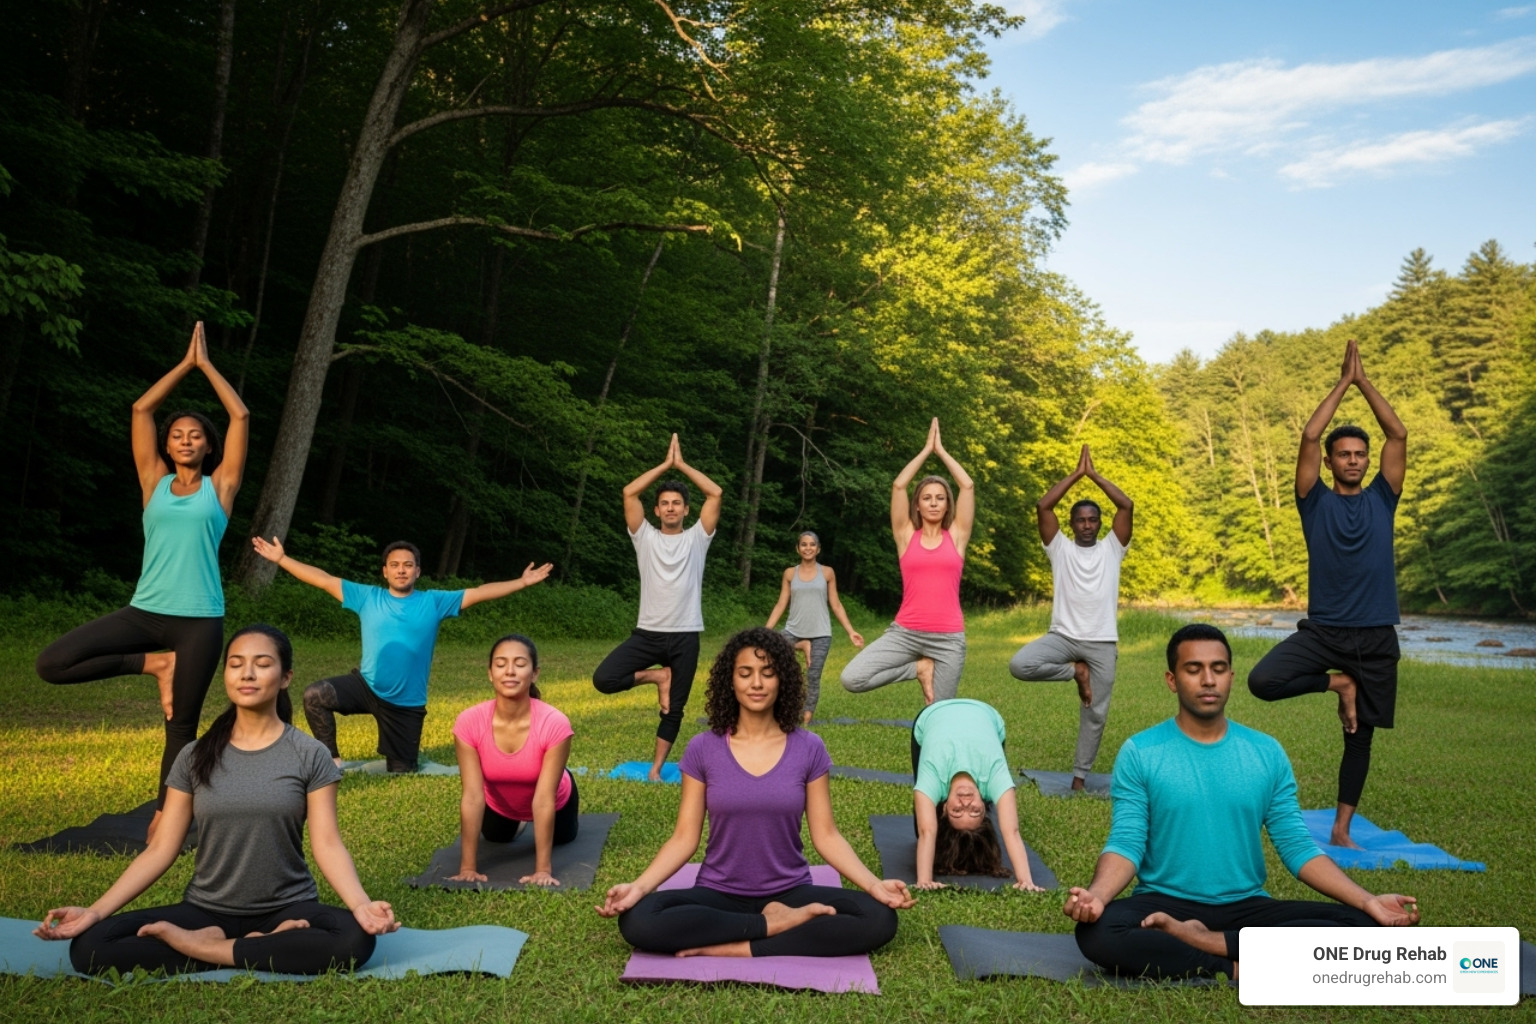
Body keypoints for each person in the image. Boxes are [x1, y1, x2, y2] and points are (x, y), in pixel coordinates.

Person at [1063, 623, 1419, 981]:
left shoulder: (1266, 752)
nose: (1208, 680)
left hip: (1247, 907)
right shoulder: (1141, 751)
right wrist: (1097, 896)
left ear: (1231, 677)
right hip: (1164, 902)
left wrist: (1367, 900)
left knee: (1363, 924)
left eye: (1218, 669)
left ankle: (1209, 943)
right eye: (1194, 669)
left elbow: (1298, 848)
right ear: (1172, 680)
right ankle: (1230, 963)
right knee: (1099, 932)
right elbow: (1127, 842)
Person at [36, 625, 398, 976]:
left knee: (353, 941)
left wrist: (361, 905)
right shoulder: (195, 755)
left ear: (285, 677)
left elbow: (328, 843)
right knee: (90, 946)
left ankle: (203, 948)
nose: (248, 673)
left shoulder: (309, 754)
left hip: (289, 908)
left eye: (263, 663)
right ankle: (258, 946)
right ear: (225, 674)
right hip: (205, 910)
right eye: (236, 664)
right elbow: (161, 848)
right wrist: (95, 912)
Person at [36, 322, 248, 838]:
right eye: (177, 435)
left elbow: (240, 414)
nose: (184, 440)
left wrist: (208, 366)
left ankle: (165, 813)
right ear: (168, 446)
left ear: (208, 447)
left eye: (195, 435)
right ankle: (154, 664)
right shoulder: (152, 481)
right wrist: (183, 364)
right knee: (52, 663)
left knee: (180, 726)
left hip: (200, 619)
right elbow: (140, 410)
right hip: (145, 610)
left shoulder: (220, 488)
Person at [596, 627, 913, 957]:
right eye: (745, 673)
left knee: (878, 918)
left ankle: (738, 944)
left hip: (790, 892)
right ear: (730, 681)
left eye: (768, 673)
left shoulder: (809, 747)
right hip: (719, 893)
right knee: (639, 920)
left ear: (783, 680)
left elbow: (827, 836)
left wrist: (875, 885)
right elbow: (684, 839)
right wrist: (639, 887)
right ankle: (771, 927)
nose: (757, 684)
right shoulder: (703, 747)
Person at [1247, 338, 1408, 849]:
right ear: (1333, 462)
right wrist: (1344, 383)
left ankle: (1341, 829)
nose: (1355, 460)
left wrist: (1366, 381)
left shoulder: (1384, 497)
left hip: (1377, 636)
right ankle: (1339, 684)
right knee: (1262, 680)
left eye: (1361, 454)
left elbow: (1398, 432)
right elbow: (1310, 434)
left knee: (1359, 740)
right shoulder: (1312, 502)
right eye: (1346, 454)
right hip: (1326, 634)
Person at [250, 535, 552, 772]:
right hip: (366, 686)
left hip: (406, 704)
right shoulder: (367, 596)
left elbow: (479, 592)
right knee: (315, 695)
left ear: (418, 571)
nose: (401, 570)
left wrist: (522, 582)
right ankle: (331, 762)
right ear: (385, 571)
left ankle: (400, 757)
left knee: (402, 770)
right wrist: (282, 559)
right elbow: (323, 578)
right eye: (394, 565)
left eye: (408, 565)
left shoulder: (434, 602)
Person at [592, 433, 722, 781]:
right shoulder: (644, 536)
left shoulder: (698, 538)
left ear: (685, 510)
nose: (670, 508)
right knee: (604, 678)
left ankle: (655, 769)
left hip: (685, 636)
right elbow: (628, 493)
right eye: (664, 502)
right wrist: (665, 465)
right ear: (656, 509)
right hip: (648, 633)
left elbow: (716, 493)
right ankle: (656, 676)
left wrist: (682, 466)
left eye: (676, 503)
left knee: (674, 709)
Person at [1008, 444, 1133, 791]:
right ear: (1072, 524)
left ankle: (1079, 777)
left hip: (1102, 641)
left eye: (1093, 519)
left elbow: (1126, 505)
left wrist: (1095, 476)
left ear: (1100, 523)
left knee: (1096, 712)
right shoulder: (1059, 547)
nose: (1088, 525)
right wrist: (1077, 475)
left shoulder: (1113, 548)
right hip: (1062, 637)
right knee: (1020, 664)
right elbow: (1043, 505)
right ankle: (1075, 673)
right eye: (1081, 519)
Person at [840, 418, 974, 705]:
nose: (934, 502)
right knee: (852, 678)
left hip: (948, 639)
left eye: (940, 498)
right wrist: (926, 450)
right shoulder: (905, 536)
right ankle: (919, 669)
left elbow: (968, 485)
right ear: (918, 504)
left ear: (948, 504)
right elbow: (899, 486)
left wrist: (942, 452)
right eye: (927, 498)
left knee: (939, 713)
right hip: (906, 633)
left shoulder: (958, 536)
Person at [448, 633, 578, 887]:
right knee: (496, 838)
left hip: (554, 798)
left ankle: (555, 778)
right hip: (500, 803)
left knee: (565, 838)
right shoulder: (469, 722)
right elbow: (473, 796)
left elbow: (543, 800)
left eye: (519, 664)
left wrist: (542, 870)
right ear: (490, 673)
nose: (509, 671)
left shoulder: (555, 723)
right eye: (500, 664)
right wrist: (467, 868)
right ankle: (518, 821)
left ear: (535, 673)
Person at [909, 699, 1044, 891]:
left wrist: (924, 880)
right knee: (925, 826)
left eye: (957, 810)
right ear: (985, 807)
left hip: (932, 714)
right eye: (974, 811)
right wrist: (1025, 881)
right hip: (985, 712)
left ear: (945, 808)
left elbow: (927, 831)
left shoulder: (933, 779)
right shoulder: (995, 777)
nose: (966, 802)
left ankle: (951, 847)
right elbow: (1011, 831)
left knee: (921, 827)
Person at [765, 531, 865, 724]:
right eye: (804, 544)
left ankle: (806, 718)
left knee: (813, 676)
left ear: (818, 549)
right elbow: (781, 604)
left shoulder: (827, 573)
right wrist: (767, 630)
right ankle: (801, 645)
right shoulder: (789, 573)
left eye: (812, 545)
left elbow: (835, 604)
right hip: (793, 630)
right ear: (797, 548)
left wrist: (851, 631)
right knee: (773, 652)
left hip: (821, 633)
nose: (808, 548)